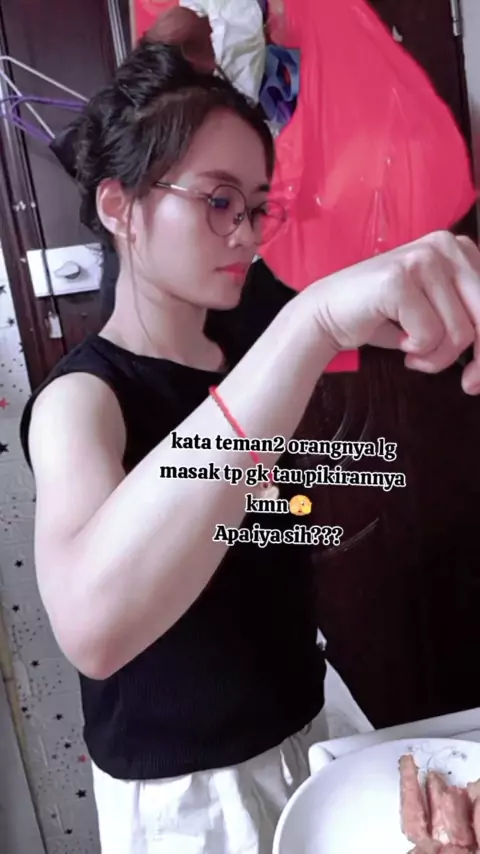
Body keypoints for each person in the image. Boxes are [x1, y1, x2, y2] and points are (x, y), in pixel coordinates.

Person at [19, 8, 480, 854]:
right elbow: (92, 627)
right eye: (218, 201)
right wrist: (311, 324)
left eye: (258, 206)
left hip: (311, 722)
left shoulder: (249, 315)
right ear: (119, 206)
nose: (248, 233)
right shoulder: (81, 399)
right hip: (191, 794)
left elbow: (407, 304)